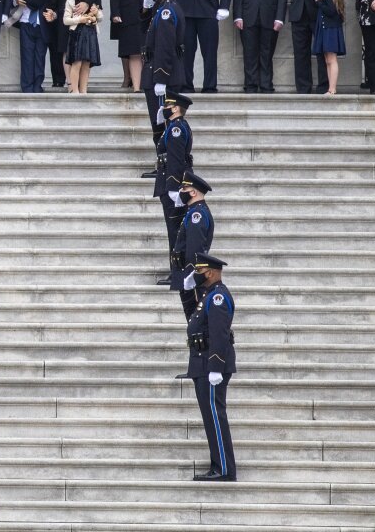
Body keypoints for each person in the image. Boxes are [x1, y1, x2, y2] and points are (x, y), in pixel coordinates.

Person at [182, 252, 236, 482]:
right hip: (201, 363)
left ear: (212, 272)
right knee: (210, 417)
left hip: (210, 365)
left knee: (215, 416)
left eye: (201, 272)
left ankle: (224, 468)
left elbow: (219, 335)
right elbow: (191, 318)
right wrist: (187, 289)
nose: (198, 275)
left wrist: (216, 366)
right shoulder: (207, 295)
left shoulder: (218, 298)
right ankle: (218, 464)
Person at [141, 0, 186, 147]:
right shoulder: (163, 9)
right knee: (158, 122)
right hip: (159, 72)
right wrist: (147, 6)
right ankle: (163, 162)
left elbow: (164, 47)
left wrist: (161, 78)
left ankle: (166, 162)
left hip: (162, 76)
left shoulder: (167, 11)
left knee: (163, 122)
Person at [154, 92, 193, 286]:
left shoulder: (177, 128)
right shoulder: (174, 126)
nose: (165, 108)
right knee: (174, 231)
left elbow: (176, 160)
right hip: (171, 182)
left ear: (176, 108)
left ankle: (177, 275)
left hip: (172, 184)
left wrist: (172, 186)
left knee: (175, 232)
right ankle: (177, 273)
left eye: (169, 106)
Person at [171, 171, 213, 319]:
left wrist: (191, 277)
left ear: (193, 192)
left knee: (195, 322)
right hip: (185, 273)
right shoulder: (193, 212)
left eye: (184, 190)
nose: (181, 193)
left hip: (189, 276)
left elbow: (195, 248)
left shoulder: (197, 215)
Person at [14, 0, 55, 93]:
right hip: (26, 24)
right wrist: (16, 0)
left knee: (39, 57)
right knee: (26, 56)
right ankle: (26, 87)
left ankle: (37, 86)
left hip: (42, 26)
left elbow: (56, 6)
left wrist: (54, 15)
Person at [63, 0, 102, 94]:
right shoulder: (70, 1)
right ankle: (75, 90)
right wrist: (79, 19)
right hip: (77, 34)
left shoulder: (93, 1)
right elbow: (65, 20)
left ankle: (84, 90)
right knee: (77, 63)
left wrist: (96, 14)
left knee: (86, 63)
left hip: (90, 34)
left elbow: (100, 17)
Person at [313, 0, 347, 95]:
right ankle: (330, 88)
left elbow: (332, 12)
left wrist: (319, 2)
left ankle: (332, 88)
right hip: (324, 28)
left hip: (331, 29)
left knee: (331, 59)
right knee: (327, 60)